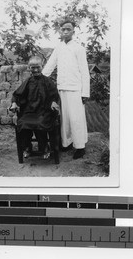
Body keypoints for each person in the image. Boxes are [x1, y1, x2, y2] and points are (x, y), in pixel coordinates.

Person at [42, 19, 90, 160]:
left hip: (76, 89)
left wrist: (85, 92)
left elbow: (85, 72)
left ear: (73, 32)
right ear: (60, 31)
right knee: (64, 119)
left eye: (68, 29)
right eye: (63, 29)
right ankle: (67, 143)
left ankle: (80, 147)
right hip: (61, 88)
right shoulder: (59, 48)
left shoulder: (79, 49)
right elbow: (50, 66)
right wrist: (40, 79)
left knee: (76, 119)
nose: (65, 31)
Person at [10, 56, 60, 160]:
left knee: (40, 123)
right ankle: (27, 147)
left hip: (44, 112)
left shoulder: (47, 81)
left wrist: (54, 102)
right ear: (29, 68)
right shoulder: (28, 81)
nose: (36, 70)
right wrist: (14, 103)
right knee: (23, 123)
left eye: (38, 67)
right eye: (33, 67)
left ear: (42, 67)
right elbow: (17, 94)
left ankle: (44, 148)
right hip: (30, 112)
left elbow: (54, 96)